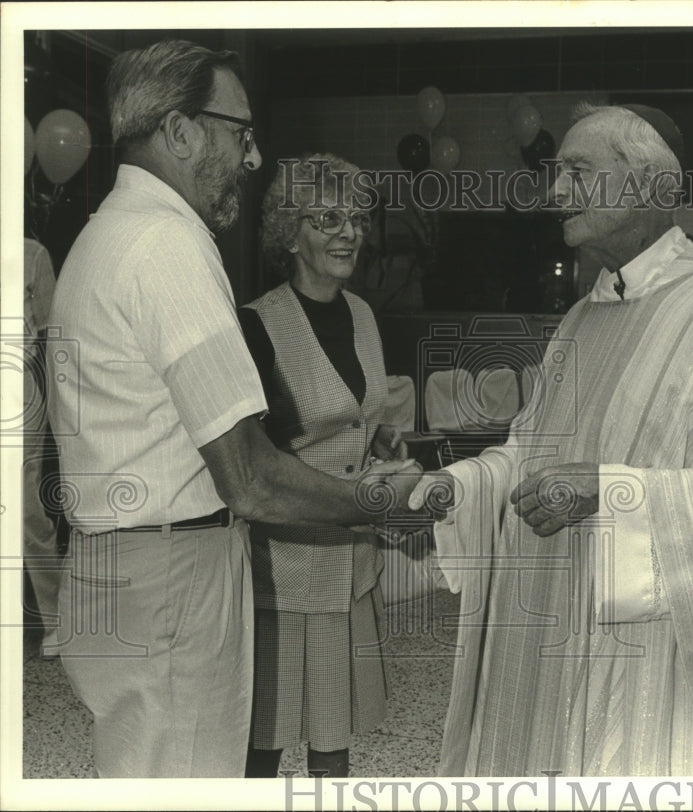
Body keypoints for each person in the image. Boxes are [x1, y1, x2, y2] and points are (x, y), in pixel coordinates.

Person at [45, 40, 419, 778]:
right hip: (172, 575)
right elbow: (250, 478)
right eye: (240, 134)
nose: (251, 159)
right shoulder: (167, 246)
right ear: (180, 131)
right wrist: (378, 500)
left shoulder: (106, 233)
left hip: (117, 560)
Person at [407, 103, 693, 776]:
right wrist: (454, 486)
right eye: (557, 173)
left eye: (578, 171)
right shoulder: (580, 321)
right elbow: (528, 453)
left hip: (646, 659)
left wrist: (613, 491)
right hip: (545, 640)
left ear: (652, 184)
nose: (555, 191)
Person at [239, 154, 405, 778]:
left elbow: (363, 422)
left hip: (352, 556)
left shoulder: (362, 314)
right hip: (284, 566)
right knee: (267, 735)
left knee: (335, 734)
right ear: (291, 230)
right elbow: (251, 460)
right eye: (327, 217)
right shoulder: (257, 323)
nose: (348, 232)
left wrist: (386, 453)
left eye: (357, 218)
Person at [22, 238, 61, 653]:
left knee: (26, 509)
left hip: (17, 387)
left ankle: (55, 621)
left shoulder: (34, 254)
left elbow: (52, 338)